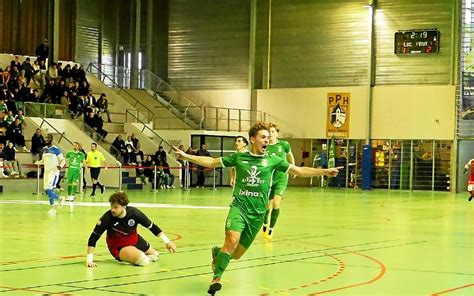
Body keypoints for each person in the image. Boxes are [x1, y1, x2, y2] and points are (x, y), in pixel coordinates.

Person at [172, 121, 340, 295]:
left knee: (235, 255)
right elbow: (212, 161)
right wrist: (186, 156)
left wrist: (324, 172)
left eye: (268, 137)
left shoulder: (273, 160)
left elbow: (298, 170)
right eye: (263, 137)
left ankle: (217, 252)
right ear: (252, 139)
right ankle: (217, 279)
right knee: (231, 240)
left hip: (257, 215)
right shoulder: (239, 157)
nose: (266, 140)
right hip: (239, 208)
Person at [86, 192, 176, 267]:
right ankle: (134, 256)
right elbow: (93, 238)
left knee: (156, 256)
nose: (112, 210)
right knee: (144, 261)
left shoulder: (135, 213)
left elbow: (152, 227)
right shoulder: (107, 218)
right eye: (111, 206)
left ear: (124, 206)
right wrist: (89, 260)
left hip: (135, 240)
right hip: (119, 247)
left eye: (116, 207)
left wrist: (167, 242)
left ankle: (136, 255)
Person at [262, 123, 295, 240]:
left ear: (277, 133)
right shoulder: (264, 146)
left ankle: (271, 228)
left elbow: (290, 156)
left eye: (272, 131)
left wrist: (293, 168)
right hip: (269, 178)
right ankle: (265, 223)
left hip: (281, 177)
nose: (270, 134)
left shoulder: (284, 145)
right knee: (267, 205)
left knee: (276, 203)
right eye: (268, 132)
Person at [35, 134, 66, 215]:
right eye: (45, 138)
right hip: (46, 172)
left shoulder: (56, 150)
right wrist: (37, 162)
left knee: (49, 189)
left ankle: (56, 203)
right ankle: (56, 203)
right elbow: (43, 161)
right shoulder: (44, 149)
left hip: (54, 172)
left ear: (51, 140)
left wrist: (60, 166)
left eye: (48, 138)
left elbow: (63, 160)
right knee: (47, 190)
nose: (46, 139)